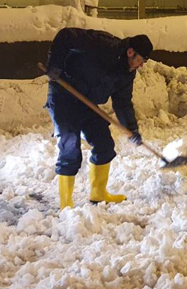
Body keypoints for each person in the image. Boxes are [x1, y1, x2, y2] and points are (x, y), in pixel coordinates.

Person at [45, 27, 153, 210]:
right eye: (141, 60)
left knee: (104, 145)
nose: (141, 65)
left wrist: (131, 128)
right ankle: (66, 203)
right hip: (64, 96)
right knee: (70, 147)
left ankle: (98, 193)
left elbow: (123, 102)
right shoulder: (102, 44)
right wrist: (55, 65)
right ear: (130, 52)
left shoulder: (127, 73)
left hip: (88, 104)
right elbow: (66, 36)